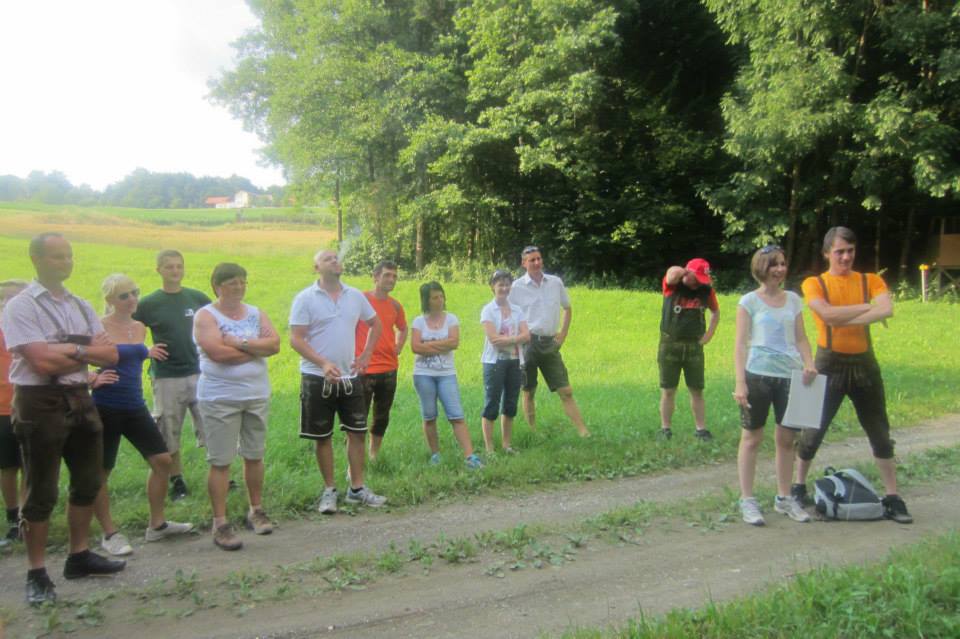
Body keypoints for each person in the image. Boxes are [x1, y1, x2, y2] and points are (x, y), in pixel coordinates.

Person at [2, 233, 125, 605]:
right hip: (39, 401)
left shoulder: (81, 305)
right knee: (41, 490)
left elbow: (111, 356)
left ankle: (79, 556)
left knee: (88, 481)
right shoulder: (20, 306)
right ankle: (37, 573)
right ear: (36, 259)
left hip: (81, 398)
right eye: (57, 257)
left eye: (69, 255)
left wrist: (66, 349)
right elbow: (40, 362)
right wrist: (83, 350)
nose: (66, 262)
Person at [795, 226, 912, 523]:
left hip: (865, 363)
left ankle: (893, 497)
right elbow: (826, 316)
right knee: (811, 429)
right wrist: (865, 309)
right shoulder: (814, 283)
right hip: (826, 362)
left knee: (880, 432)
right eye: (839, 252)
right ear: (827, 254)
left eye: (850, 251)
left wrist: (842, 316)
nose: (846, 257)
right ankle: (797, 488)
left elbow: (886, 310)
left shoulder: (870, 280)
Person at [90, 274, 194, 557]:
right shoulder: (98, 327)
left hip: (135, 405)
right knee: (101, 471)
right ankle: (109, 534)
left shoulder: (138, 327)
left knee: (162, 461)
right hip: (105, 406)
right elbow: (81, 359)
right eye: (124, 295)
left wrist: (147, 352)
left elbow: (130, 355)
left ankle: (157, 525)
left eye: (134, 292)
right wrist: (92, 378)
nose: (132, 299)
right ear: (110, 300)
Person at [290, 249, 386, 515]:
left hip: (349, 377)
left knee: (357, 432)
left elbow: (376, 324)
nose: (335, 260)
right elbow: (296, 338)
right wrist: (322, 363)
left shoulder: (354, 295)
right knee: (323, 436)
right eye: (327, 259)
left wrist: (366, 354)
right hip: (316, 377)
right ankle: (329, 490)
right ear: (316, 268)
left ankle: (357, 489)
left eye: (336, 258)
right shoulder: (305, 298)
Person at [194, 263, 280, 550]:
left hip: (256, 394)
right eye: (232, 282)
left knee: (255, 455)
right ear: (217, 286)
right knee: (221, 461)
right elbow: (218, 354)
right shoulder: (206, 316)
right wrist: (255, 349)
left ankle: (256, 510)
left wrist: (240, 342)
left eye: (242, 282)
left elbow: (275, 345)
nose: (239, 287)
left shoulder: (256, 313)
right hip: (220, 398)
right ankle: (220, 523)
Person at [732, 247, 816, 526]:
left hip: (791, 377)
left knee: (787, 439)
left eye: (782, 264)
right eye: (773, 265)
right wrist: (740, 383)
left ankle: (784, 497)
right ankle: (747, 499)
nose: (780, 269)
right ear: (761, 268)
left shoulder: (793, 300)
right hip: (757, 376)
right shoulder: (748, 302)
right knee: (751, 438)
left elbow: (801, 338)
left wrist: (809, 363)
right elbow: (740, 344)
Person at [134, 249, 212, 501]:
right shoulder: (149, 303)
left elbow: (217, 322)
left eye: (179, 266)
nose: (175, 271)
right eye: (169, 267)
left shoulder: (196, 297)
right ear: (159, 270)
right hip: (167, 375)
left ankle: (220, 473)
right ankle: (177, 480)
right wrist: (145, 350)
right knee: (169, 430)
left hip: (200, 372)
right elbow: (126, 327)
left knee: (211, 424)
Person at [508, 246, 590, 437]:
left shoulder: (555, 282)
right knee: (528, 390)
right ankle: (533, 432)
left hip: (549, 344)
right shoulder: (516, 287)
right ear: (524, 263)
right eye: (532, 260)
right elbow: (508, 315)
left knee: (565, 390)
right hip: (527, 344)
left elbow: (567, 308)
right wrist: (516, 341)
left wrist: (563, 334)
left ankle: (583, 431)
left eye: (539, 259)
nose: (537, 263)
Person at [410, 281, 483, 468]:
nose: (440, 300)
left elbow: (454, 343)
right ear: (426, 300)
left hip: (446, 374)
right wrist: (442, 344)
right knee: (429, 416)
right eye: (435, 297)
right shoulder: (418, 322)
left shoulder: (451, 319)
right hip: (423, 374)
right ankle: (435, 455)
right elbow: (415, 347)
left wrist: (428, 345)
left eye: (441, 296)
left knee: (456, 415)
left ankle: (470, 457)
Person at [657, 258, 720, 440]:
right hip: (670, 344)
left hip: (694, 347)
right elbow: (671, 274)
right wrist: (684, 272)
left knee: (697, 390)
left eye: (702, 279)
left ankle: (701, 430)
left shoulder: (706, 291)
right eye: (696, 278)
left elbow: (715, 312)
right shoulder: (672, 286)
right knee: (668, 390)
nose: (698, 282)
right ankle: (665, 429)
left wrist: (709, 335)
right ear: (687, 272)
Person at [355, 260, 408, 461]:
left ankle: (373, 455)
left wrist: (398, 346)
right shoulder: (360, 300)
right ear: (375, 277)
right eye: (387, 275)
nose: (391, 279)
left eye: (394, 276)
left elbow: (403, 328)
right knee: (357, 417)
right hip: (364, 369)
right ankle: (355, 461)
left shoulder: (395, 305)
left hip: (388, 368)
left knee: (381, 416)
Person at [480, 270, 530, 454]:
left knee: (510, 403)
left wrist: (508, 339)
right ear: (493, 287)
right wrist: (517, 339)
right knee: (492, 404)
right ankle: (489, 449)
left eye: (507, 284)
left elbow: (527, 335)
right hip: (494, 363)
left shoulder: (517, 310)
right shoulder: (488, 310)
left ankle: (506, 445)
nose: (504, 288)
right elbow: (494, 340)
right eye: (500, 284)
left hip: (515, 361)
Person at [1, 279, 28, 548]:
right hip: (1, 409)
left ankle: (25, 519)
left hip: (29, 407)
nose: (8, 303)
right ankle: (12, 516)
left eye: (15, 297)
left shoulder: (31, 333)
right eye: (4, 298)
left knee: (28, 465)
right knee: (7, 466)